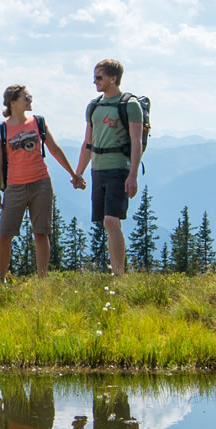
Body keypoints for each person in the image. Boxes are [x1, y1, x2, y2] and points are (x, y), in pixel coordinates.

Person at [0, 84, 84, 281]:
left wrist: (74, 174)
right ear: (13, 102)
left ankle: (42, 280)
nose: (30, 99)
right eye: (26, 97)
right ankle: (1, 279)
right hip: (14, 186)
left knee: (41, 233)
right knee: (5, 234)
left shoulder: (39, 122)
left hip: (41, 183)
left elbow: (54, 149)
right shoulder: (1, 129)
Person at [73, 59, 143, 276]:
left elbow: (136, 141)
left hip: (119, 169)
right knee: (109, 223)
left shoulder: (130, 105)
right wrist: (79, 172)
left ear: (113, 78)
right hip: (98, 169)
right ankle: (118, 271)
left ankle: (118, 274)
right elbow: (88, 142)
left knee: (111, 220)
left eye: (99, 77)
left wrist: (133, 175)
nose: (95, 81)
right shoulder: (94, 106)